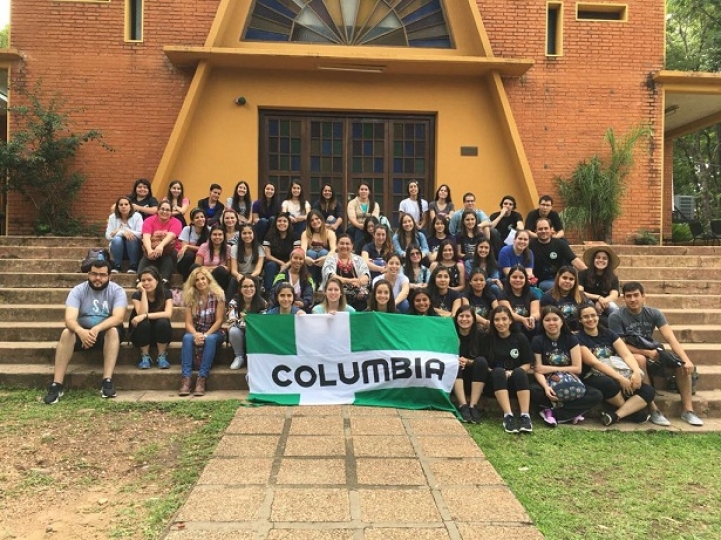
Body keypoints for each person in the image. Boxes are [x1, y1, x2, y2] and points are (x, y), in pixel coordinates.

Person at [609, 281, 704, 426]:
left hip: (652, 351)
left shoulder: (654, 313)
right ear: (623, 298)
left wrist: (687, 360)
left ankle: (688, 411)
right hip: (629, 355)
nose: (633, 299)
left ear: (644, 296)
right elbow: (620, 345)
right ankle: (653, 409)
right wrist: (645, 352)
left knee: (681, 365)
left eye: (636, 295)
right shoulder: (616, 316)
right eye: (629, 296)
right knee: (640, 359)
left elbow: (671, 338)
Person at [42, 258, 127, 404]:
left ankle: (107, 381)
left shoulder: (117, 291)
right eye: (94, 274)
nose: (98, 278)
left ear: (109, 276)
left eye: (102, 275)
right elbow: (69, 319)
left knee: (113, 330)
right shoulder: (78, 290)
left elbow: (118, 318)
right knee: (66, 333)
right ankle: (57, 385)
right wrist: (81, 331)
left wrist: (97, 328)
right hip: (82, 333)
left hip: (105, 333)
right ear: (88, 274)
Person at [577, 304, 655, 425]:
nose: (590, 319)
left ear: (598, 316)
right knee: (609, 383)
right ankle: (633, 414)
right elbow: (594, 362)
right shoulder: (578, 338)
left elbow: (626, 354)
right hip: (593, 375)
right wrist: (620, 379)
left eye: (593, 315)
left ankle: (616, 415)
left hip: (617, 370)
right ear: (580, 320)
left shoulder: (608, 333)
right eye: (586, 317)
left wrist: (635, 372)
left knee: (648, 391)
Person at [530, 306, 603, 426]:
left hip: (571, 381)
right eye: (547, 320)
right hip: (549, 381)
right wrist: (546, 387)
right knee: (534, 390)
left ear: (562, 321)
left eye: (555, 319)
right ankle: (573, 413)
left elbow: (577, 368)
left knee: (596, 395)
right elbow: (538, 370)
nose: (551, 323)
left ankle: (554, 414)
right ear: (542, 323)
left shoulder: (571, 339)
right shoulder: (537, 340)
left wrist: (550, 368)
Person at [482, 306, 534, 433]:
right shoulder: (488, 339)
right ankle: (508, 416)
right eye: (497, 320)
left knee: (520, 372)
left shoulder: (520, 338)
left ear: (510, 320)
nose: (501, 323)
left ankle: (525, 416)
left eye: (504, 319)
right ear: (493, 322)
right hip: (495, 383)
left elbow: (528, 364)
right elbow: (484, 364)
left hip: (515, 382)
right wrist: (496, 372)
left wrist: (511, 373)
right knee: (499, 371)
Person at [179, 267, 225, 396]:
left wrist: (205, 335)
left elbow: (219, 321)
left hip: (215, 332)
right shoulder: (190, 297)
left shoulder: (219, 295)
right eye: (197, 280)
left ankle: (202, 379)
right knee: (187, 338)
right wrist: (195, 334)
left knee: (210, 339)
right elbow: (188, 323)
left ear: (208, 279)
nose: (200, 282)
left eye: (203, 278)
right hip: (197, 331)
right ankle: (186, 379)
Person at [129, 267, 173, 370]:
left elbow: (168, 314)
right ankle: (145, 356)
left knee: (163, 322)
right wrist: (143, 293)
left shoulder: (166, 293)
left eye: (149, 280)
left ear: (157, 281)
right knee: (144, 323)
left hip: (161, 334)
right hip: (141, 335)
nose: (146, 283)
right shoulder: (137, 295)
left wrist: (145, 316)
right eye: (143, 280)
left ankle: (161, 356)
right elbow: (141, 313)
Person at [452, 305, 488, 423]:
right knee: (453, 363)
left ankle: (473, 406)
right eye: (461, 316)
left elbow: (484, 360)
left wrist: (468, 361)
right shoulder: (451, 333)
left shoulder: (481, 335)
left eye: (468, 316)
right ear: (456, 318)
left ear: (473, 319)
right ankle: (463, 406)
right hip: (455, 377)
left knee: (481, 361)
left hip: (474, 378)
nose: (464, 319)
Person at [530, 217, 586, 291]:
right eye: (540, 229)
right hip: (541, 282)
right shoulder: (530, 245)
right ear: (535, 231)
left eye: (546, 228)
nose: (543, 231)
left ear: (551, 229)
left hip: (560, 279)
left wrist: (589, 274)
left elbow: (575, 261)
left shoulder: (560, 244)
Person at [321, 234, 371, 311]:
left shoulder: (359, 260)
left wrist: (359, 282)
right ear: (337, 245)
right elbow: (331, 276)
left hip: (356, 297)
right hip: (335, 295)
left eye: (347, 244)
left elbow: (366, 277)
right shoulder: (330, 260)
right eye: (341, 243)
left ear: (352, 246)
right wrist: (351, 281)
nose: (344, 246)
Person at [227, 275, 267, 370]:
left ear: (256, 288)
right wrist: (249, 321)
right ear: (240, 289)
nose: (248, 289)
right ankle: (239, 357)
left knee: (253, 331)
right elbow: (232, 322)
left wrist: (244, 320)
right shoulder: (234, 302)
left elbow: (261, 323)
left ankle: (253, 357)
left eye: (251, 286)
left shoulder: (263, 303)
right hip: (240, 332)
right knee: (233, 331)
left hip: (255, 334)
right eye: (245, 286)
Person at [137, 200, 182, 282]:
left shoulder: (176, 222)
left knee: (166, 253)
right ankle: (140, 279)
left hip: (170, 250)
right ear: (157, 210)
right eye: (162, 209)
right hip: (152, 248)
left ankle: (165, 280)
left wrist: (161, 246)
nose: (164, 212)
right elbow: (146, 236)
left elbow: (171, 236)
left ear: (171, 212)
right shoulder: (148, 220)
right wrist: (149, 250)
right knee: (147, 254)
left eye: (168, 210)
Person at [540, 266, 592, 333]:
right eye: (564, 278)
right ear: (558, 278)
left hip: (580, 333)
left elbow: (586, 317)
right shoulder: (547, 297)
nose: (567, 281)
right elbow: (546, 321)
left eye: (571, 279)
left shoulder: (581, 296)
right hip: (558, 333)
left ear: (575, 282)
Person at [497, 265, 540, 340]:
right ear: (509, 278)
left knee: (537, 325)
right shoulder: (503, 294)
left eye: (521, 277)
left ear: (525, 279)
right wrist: (523, 320)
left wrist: (532, 318)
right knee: (515, 326)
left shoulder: (532, 293)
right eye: (514, 277)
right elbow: (508, 314)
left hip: (528, 324)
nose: (518, 280)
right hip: (513, 324)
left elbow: (536, 312)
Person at [579, 245, 621, 320]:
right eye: (598, 257)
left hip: (605, 303)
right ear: (593, 260)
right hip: (586, 301)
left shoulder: (613, 277)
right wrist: (598, 298)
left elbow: (614, 294)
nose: (601, 260)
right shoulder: (583, 274)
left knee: (614, 308)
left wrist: (603, 301)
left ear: (608, 262)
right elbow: (580, 291)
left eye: (604, 258)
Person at [262, 212, 299, 293]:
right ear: (275, 223)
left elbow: (296, 254)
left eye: (285, 221)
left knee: (296, 264)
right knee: (270, 265)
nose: (282, 223)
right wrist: (281, 263)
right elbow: (267, 255)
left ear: (289, 223)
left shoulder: (295, 236)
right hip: (274, 261)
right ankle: (268, 292)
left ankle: (291, 293)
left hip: (290, 262)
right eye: (279, 221)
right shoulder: (269, 236)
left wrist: (286, 265)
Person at [106, 195, 142, 274]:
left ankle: (133, 265)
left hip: (134, 248)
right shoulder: (112, 217)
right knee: (117, 239)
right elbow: (108, 236)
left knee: (131, 238)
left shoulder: (137, 216)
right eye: (121, 204)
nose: (123, 206)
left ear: (130, 206)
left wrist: (121, 231)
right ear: (117, 207)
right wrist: (122, 232)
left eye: (126, 204)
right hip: (117, 249)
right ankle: (117, 266)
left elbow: (141, 234)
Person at [271, 247, 314, 312]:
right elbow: (273, 293)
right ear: (290, 259)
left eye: (301, 259)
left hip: (300, 310)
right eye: (295, 258)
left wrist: (303, 303)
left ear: (303, 261)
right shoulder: (281, 275)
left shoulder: (308, 278)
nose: (298, 261)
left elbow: (309, 295)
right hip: (281, 308)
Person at [301, 209, 337, 287]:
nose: (315, 221)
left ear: (321, 219)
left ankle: (322, 281)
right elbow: (302, 249)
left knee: (323, 252)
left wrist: (326, 258)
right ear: (309, 223)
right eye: (312, 220)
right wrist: (305, 258)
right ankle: (312, 282)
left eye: (317, 219)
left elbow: (334, 249)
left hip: (325, 258)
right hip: (311, 260)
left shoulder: (330, 233)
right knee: (310, 253)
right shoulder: (305, 233)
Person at [228, 223, 265, 298]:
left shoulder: (260, 248)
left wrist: (249, 278)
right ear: (240, 235)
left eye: (250, 233)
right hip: (240, 275)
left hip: (254, 275)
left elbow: (258, 270)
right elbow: (233, 270)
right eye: (244, 233)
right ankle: (228, 305)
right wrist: (239, 276)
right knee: (233, 281)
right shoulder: (234, 248)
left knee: (255, 281)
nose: (247, 236)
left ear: (254, 234)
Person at [193, 224, 231, 292]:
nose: (217, 237)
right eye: (214, 234)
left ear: (224, 236)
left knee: (221, 270)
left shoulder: (228, 248)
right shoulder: (204, 246)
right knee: (194, 267)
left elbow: (228, 269)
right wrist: (215, 268)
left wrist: (211, 268)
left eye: (220, 234)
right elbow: (197, 267)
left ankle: (219, 295)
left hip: (220, 277)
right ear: (210, 236)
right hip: (204, 276)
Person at [177, 208, 209, 281]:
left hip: (202, 260)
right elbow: (184, 248)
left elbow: (208, 248)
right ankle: (186, 282)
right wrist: (187, 247)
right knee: (190, 255)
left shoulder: (210, 230)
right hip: (185, 261)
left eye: (202, 217)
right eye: (197, 217)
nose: (200, 219)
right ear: (192, 221)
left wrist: (189, 246)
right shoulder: (187, 229)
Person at [464, 268, 498, 332]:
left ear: (485, 282)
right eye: (475, 280)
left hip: (486, 329)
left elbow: (498, 312)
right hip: (470, 328)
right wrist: (485, 322)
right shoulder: (465, 296)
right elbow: (468, 312)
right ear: (470, 282)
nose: (478, 282)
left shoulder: (491, 296)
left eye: (481, 280)